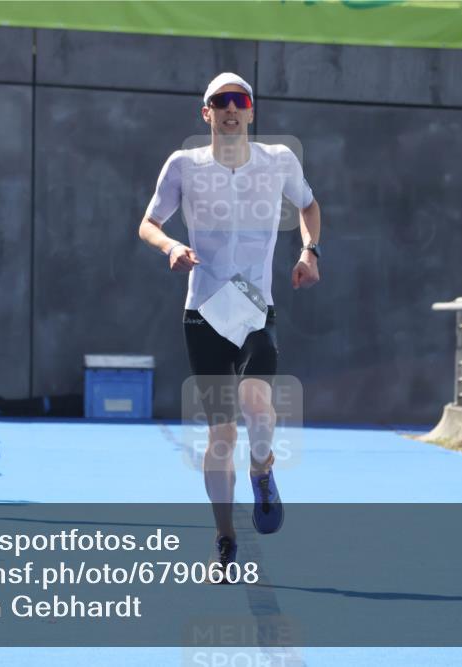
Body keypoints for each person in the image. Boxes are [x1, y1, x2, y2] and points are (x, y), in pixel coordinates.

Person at [138, 73, 322, 573]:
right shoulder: (184, 165)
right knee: (222, 435)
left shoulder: (279, 160)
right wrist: (172, 246)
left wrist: (309, 251)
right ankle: (224, 538)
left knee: (258, 405)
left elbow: (308, 205)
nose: (231, 109)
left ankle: (263, 471)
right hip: (204, 311)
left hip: (254, 307)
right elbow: (148, 223)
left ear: (251, 111)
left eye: (240, 101)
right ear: (207, 113)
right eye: (221, 102)